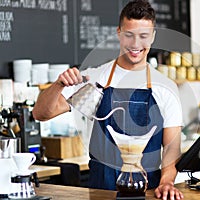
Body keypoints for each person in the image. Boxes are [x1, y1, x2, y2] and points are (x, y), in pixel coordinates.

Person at [32, 0, 184, 199]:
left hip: (148, 189)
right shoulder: (95, 79)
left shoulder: (165, 88)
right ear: (119, 33)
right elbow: (40, 114)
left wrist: (166, 182)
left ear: (153, 36)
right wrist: (58, 84)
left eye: (143, 36)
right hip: (100, 188)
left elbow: (172, 148)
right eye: (129, 35)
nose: (136, 44)